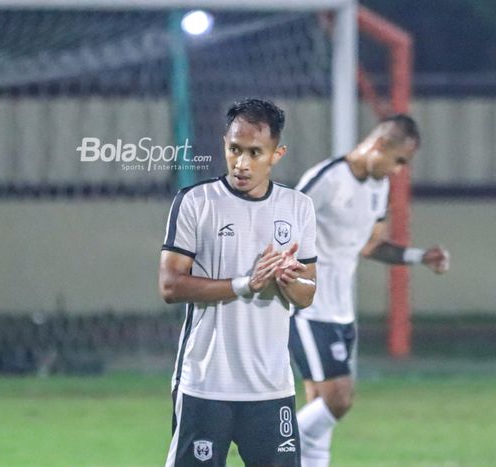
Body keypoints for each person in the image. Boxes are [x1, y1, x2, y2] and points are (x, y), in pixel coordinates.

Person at [160, 98, 318, 466]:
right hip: (205, 382)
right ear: (224, 145)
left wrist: (286, 279)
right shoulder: (196, 202)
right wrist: (245, 284)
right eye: (235, 149)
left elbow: (308, 294)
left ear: (277, 153)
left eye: (254, 152)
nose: (242, 163)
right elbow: (170, 285)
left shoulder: (298, 207)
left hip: (271, 387)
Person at [289, 114, 451, 467]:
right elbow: (279, 223)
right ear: (379, 146)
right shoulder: (327, 178)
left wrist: (420, 256)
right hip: (308, 307)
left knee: (321, 410)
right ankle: (270, 446)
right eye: (399, 160)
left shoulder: (379, 187)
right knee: (339, 399)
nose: (400, 170)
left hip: (342, 311)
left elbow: (370, 246)